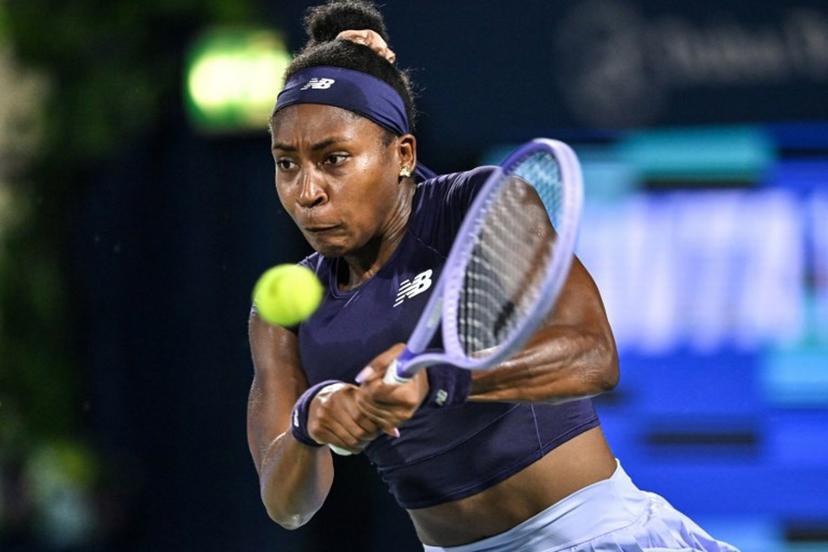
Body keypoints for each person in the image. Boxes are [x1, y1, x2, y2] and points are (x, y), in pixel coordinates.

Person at [247, 1, 739, 550]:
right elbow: (286, 506)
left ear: (403, 154)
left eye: (334, 158)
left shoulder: (478, 208)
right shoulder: (281, 315)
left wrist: (442, 380)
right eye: (285, 163)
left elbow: (593, 356)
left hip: (601, 536)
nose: (307, 192)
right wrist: (310, 423)